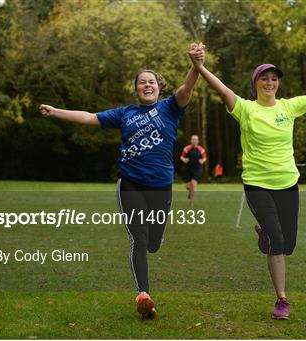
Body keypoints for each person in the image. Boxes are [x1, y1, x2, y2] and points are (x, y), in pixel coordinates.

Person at [189, 43, 306, 319]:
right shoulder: (245, 109)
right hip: (257, 184)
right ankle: (282, 299)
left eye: (274, 78)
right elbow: (222, 89)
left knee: (287, 243)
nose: (270, 82)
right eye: (264, 78)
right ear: (255, 83)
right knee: (277, 239)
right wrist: (199, 66)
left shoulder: (290, 107)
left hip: (288, 183)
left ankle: (265, 233)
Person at [39, 44, 205, 319]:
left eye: (151, 81)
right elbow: (90, 117)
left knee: (153, 243)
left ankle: (154, 247)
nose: (147, 85)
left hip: (161, 185)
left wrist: (195, 65)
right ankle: (144, 295)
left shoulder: (170, 108)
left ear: (158, 87)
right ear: (136, 88)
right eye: (142, 82)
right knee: (138, 240)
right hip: (129, 183)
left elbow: (186, 89)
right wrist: (57, 111)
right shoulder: (125, 113)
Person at [180, 134, 207, 206]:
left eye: (196, 140)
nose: (194, 141)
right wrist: (184, 160)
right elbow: (182, 157)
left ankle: (191, 203)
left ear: (198, 141)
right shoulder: (187, 148)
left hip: (197, 169)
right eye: (193, 140)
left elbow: (204, 158)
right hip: (188, 169)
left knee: (194, 184)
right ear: (191, 140)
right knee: (188, 186)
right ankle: (190, 191)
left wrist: (202, 161)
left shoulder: (201, 149)